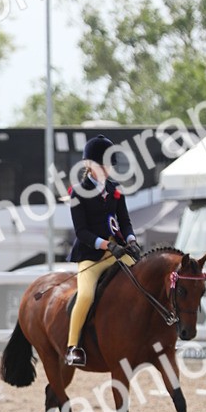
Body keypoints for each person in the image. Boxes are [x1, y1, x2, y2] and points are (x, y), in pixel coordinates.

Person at [65, 134, 142, 367]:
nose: (107, 169)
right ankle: (73, 346)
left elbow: (124, 220)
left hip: (119, 251)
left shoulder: (115, 189)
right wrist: (107, 244)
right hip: (92, 255)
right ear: (88, 165)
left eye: (109, 164)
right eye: (102, 164)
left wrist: (131, 239)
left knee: (143, 284)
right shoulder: (78, 192)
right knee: (86, 295)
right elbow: (81, 232)